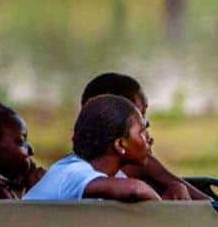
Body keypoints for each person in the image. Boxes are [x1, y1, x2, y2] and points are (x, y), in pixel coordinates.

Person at [79, 72, 208, 201]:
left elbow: (210, 206)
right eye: (140, 116)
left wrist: (176, 188)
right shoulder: (73, 175)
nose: (146, 125)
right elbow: (135, 189)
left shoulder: (138, 165)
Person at [25, 95, 161, 202]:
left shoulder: (110, 176)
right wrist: (164, 212)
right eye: (142, 132)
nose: (149, 139)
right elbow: (136, 189)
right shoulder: (72, 171)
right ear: (120, 144)